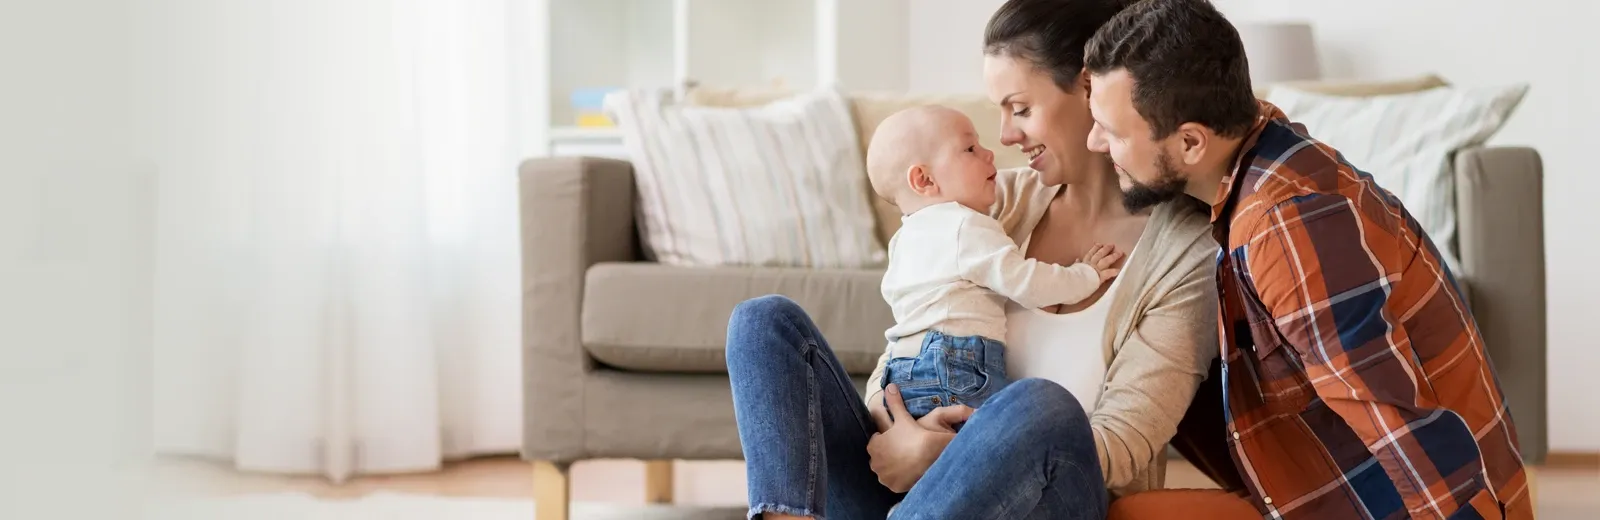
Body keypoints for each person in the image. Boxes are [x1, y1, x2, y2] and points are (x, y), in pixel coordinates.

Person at [723, 0, 1222, 517]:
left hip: (1044, 502)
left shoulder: (1183, 253)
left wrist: (953, 453)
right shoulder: (992, 201)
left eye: (1020, 108)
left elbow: (1122, 446)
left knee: (1041, 405)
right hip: (911, 491)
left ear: (1091, 89)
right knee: (763, 323)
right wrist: (892, 423)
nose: (1004, 136)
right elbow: (912, 338)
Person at [1081, 0, 1534, 518]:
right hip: (1330, 481)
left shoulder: (1285, 228)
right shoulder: (1260, 149)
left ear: (1190, 142)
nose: (1095, 143)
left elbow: (1397, 425)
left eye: (1112, 132)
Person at [863, 104, 1124, 426]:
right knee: (1003, 438)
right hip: (954, 367)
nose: (989, 153)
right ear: (924, 179)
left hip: (901, 372)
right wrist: (1085, 275)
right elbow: (1027, 282)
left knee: (933, 463)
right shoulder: (965, 225)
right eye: (970, 148)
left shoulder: (903, 240)